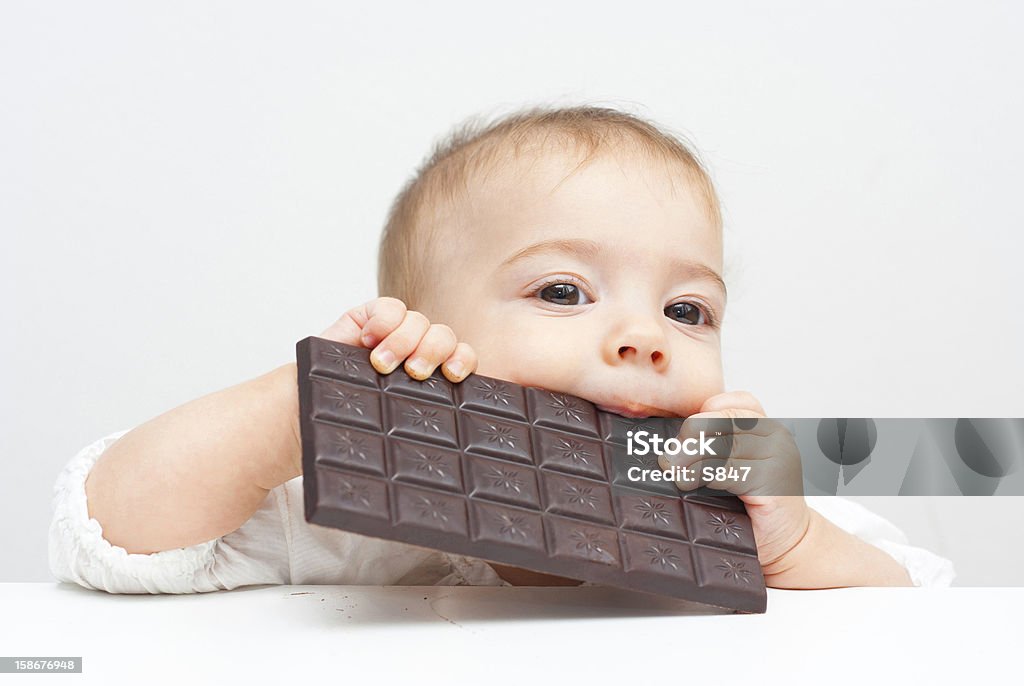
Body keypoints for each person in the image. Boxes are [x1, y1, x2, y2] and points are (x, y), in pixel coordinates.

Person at [48, 105, 955, 593]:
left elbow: (917, 600)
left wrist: (795, 545)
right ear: (427, 340)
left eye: (688, 309)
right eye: (562, 292)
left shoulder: (739, 510)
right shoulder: (352, 529)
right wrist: (301, 409)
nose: (645, 337)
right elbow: (112, 539)